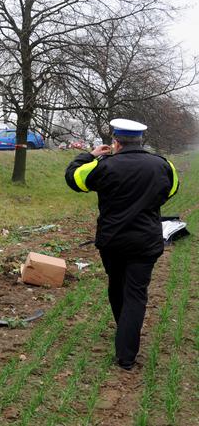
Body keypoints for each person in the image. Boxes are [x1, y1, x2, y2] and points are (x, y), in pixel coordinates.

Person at [65, 118, 179, 371]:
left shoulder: (104, 166)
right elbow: (171, 190)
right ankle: (126, 354)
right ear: (141, 141)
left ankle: (123, 330)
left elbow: (73, 179)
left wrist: (90, 155)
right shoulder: (162, 165)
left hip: (113, 241)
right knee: (136, 294)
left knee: (117, 286)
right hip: (145, 242)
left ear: (116, 142)